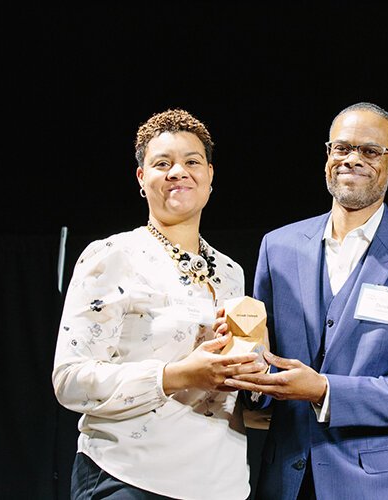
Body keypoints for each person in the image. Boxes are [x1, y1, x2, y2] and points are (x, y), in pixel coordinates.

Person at [223, 102, 388, 500]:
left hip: (379, 485)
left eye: (370, 151)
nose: (352, 159)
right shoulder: (278, 246)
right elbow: (264, 365)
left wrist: (322, 389)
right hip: (284, 480)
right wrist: (250, 373)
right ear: (327, 157)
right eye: (342, 148)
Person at [52, 108, 265, 499]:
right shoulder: (113, 255)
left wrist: (254, 374)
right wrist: (176, 375)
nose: (177, 172)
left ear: (210, 176)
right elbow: (70, 381)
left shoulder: (231, 272)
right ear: (141, 178)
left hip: (222, 484)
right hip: (130, 478)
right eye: (162, 163)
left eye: (191, 162)